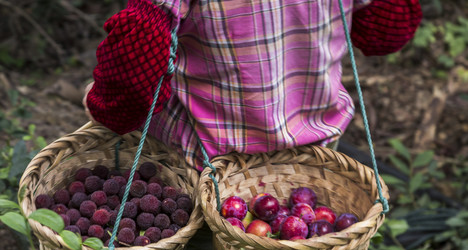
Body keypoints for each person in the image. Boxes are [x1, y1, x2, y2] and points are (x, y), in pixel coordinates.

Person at [83, 0, 422, 171]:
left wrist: (106, 108)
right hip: (310, 153)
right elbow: (387, 32)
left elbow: (135, 64)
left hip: (204, 160)